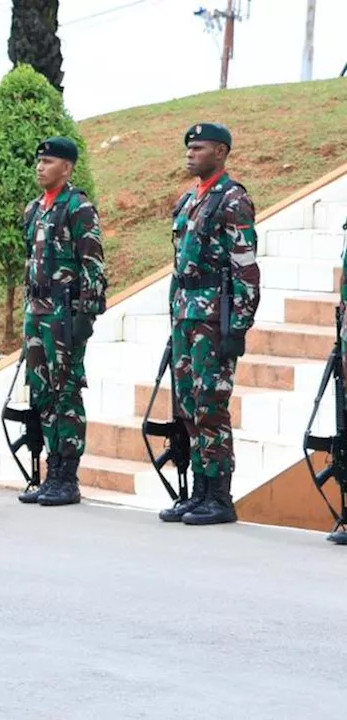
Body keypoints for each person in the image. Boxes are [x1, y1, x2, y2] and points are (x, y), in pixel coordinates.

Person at [158, 123, 260, 526]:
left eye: (198, 148)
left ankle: (219, 495)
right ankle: (198, 491)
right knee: (187, 406)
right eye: (188, 148)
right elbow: (178, 268)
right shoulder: (188, 201)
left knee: (210, 406)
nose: (190, 153)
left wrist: (238, 328)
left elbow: (246, 269)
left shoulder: (232, 200)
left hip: (214, 319)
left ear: (220, 152)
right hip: (186, 316)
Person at [13, 137, 107, 506]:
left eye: (48, 161)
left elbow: (93, 264)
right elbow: (29, 263)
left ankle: (67, 474)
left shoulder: (78, 206)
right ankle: (51, 469)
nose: (40, 167)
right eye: (39, 161)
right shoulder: (34, 209)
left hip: (64, 314)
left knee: (65, 391)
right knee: (41, 392)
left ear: (66, 168)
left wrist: (88, 313)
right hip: (36, 313)